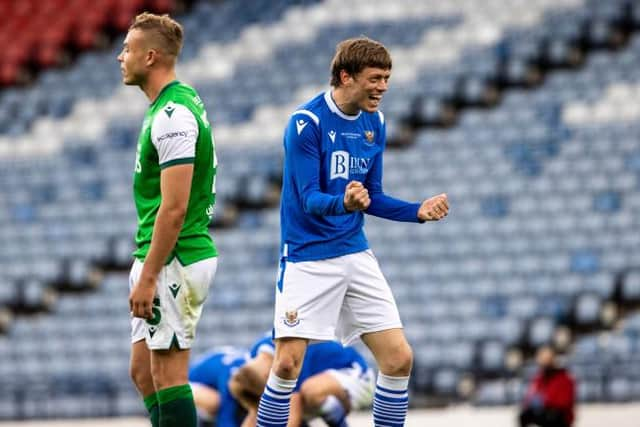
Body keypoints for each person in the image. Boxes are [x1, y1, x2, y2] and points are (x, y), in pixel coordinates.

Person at [254, 37, 449, 427]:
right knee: (288, 364)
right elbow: (308, 197)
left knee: (398, 358)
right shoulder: (305, 123)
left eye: (387, 79)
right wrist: (343, 202)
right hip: (307, 257)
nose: (383, 87)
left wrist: (417, 212)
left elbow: (371, 195)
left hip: (354, 252)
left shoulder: (374, 123)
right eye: (375, 78)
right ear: (346, 76)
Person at [118, 12, 219, 427]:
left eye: (127, 49)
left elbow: (174, 208)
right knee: (143, 372)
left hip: (175, 256)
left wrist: (148, 276)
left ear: (151, 56)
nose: (120, 56)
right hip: (158, 255)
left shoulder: (174, 115)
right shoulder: (170, 104)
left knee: (168, 374)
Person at [230, 334, 374, 427]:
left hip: (358, 376)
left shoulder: (287, 360)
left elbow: (293, 416)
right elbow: (255, 412)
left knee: (309, 390)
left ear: (267, 377)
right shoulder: (255, 356)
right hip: (321, 384)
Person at [189, 347, 249, 427]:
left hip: (214, 382)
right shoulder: (232, 379)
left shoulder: (252, 369)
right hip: (187, 385)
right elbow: (225, 420)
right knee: (214, 402)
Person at [519, 346, 575, 427]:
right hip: (543, 411)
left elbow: (564, 402)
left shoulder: (565, 378)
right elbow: (530, 398)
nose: (545, 362)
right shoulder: (539, 378)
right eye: (542, 359)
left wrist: (545, 401)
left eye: (547, 359)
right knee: (524, 415)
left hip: (558, 415)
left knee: (552, 416)